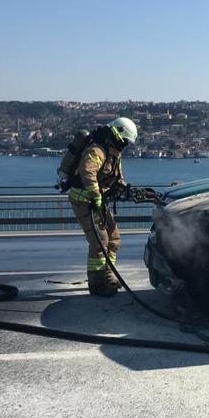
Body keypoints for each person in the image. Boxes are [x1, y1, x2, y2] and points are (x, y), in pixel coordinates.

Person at [68, 117, 137, 296]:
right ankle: (97, 284)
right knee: (99, 242)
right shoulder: (97, 150)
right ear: (118, 134)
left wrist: (122, 188)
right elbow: (87, 172)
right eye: (125, 141)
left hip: (98, 201)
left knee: (114, 238)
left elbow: (116, 176)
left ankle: (108, 275)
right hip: (84, 200)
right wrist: (96, 195)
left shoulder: (114, 152)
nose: (126, 145)